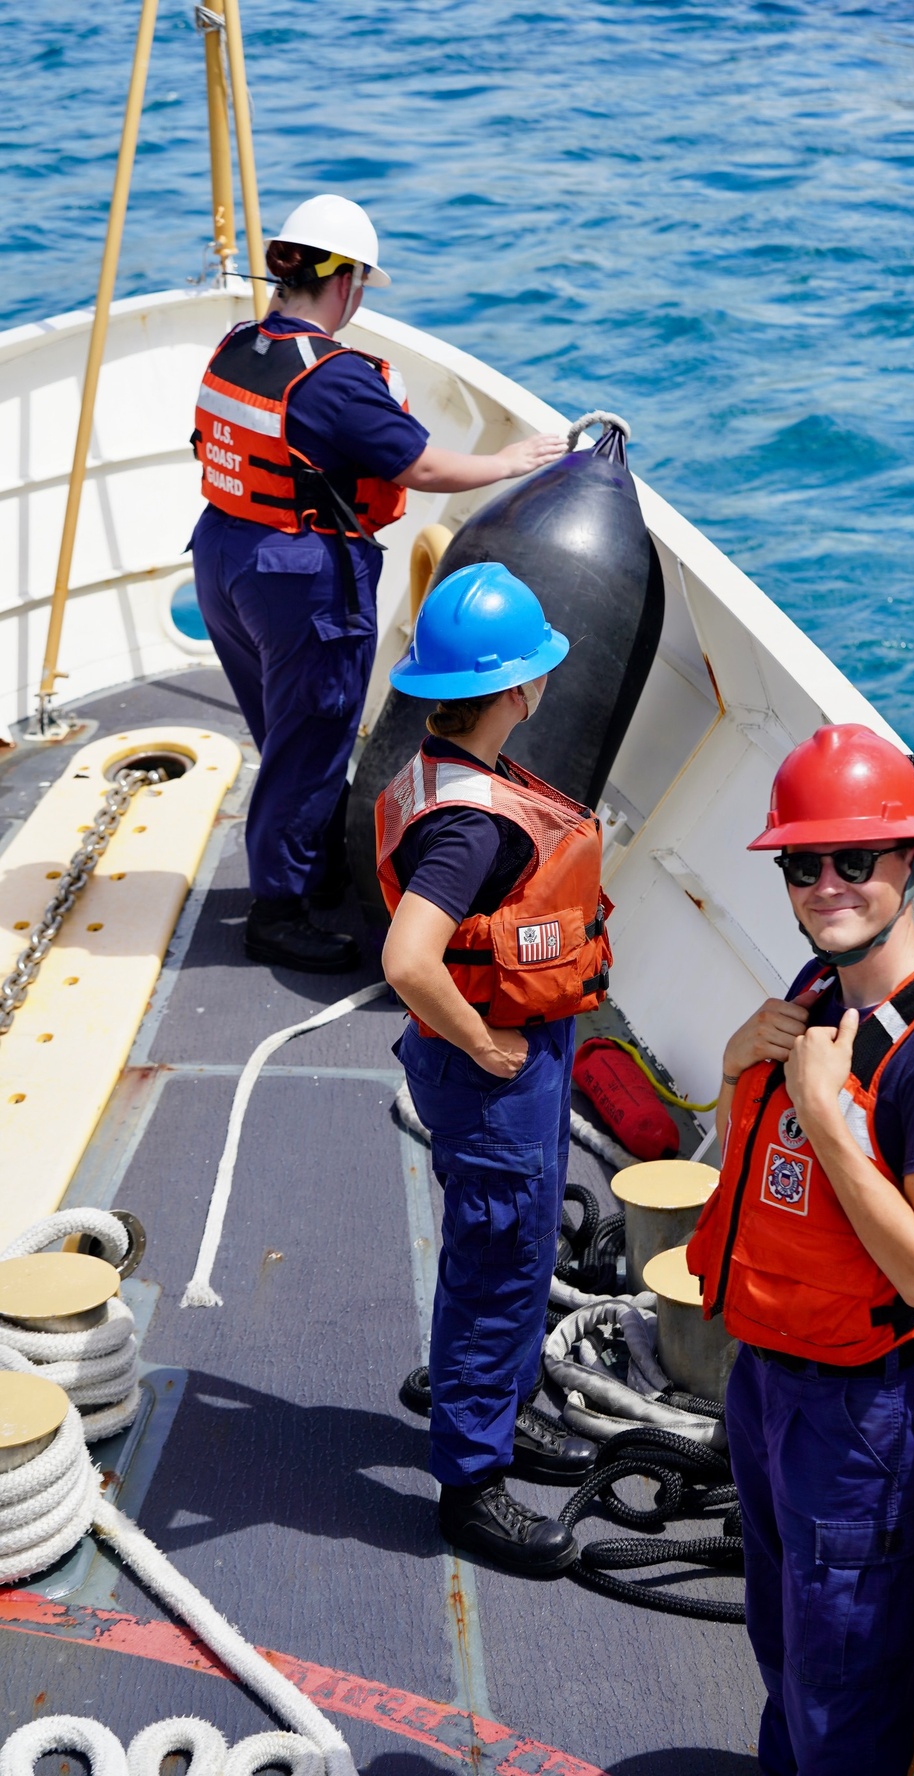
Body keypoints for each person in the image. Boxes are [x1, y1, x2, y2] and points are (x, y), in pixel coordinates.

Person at [686, 723, 914, 1776]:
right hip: (769, 1377)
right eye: (800, 864)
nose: (826, 885)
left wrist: (826, 1117)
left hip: (858, 1416)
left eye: (853, 861)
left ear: (908, 863)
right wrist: (740, 1060)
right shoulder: (818, 991)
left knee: (842, 1694)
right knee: (785, 1657)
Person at [190, 194, 565, 972]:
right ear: (349, 282)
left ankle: (314, 858)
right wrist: (511, 461)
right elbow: (421, 466)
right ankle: (280, 910)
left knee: (283, 726)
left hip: (224, 554)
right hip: (298, 578)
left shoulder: (238, 344)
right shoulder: (332, 377)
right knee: (312, 736)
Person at [376, 562, 613, 1574]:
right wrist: (481, 1043)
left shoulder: (439, 769)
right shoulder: (469, 825)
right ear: (516, 690)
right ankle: (471, 1484)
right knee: (499, 1261)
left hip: (512, 1056)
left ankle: (504, 1408)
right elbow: (408, 959)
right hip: (492, 1069)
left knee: (512, 1252)